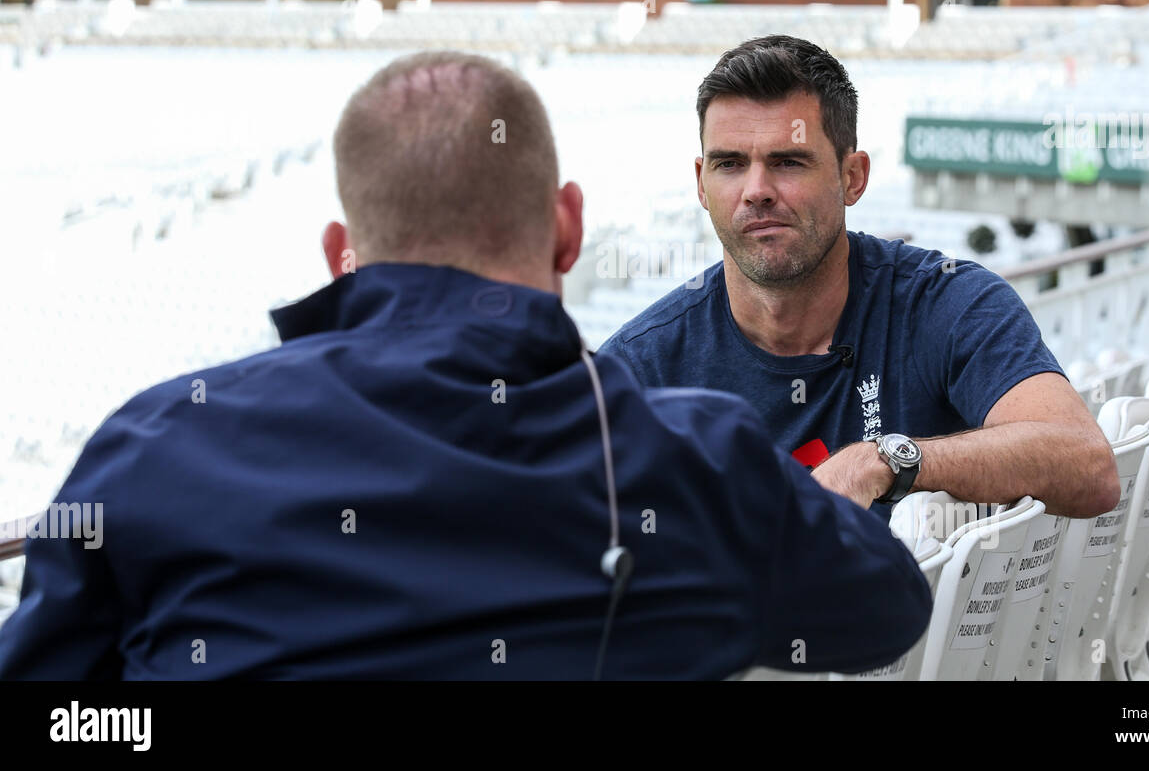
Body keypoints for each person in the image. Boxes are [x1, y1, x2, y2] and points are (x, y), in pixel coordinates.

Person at [0, 51, 931, 680]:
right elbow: (887, 611)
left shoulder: (157, 449)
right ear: (567, 226)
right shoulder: (700, 460)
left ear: (341, 253)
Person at [600, 35, 1119, 519]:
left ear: (853, 178)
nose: (756, 190)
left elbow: (1088, 467)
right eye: (730, 164)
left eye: (788, 162)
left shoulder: (949, 302)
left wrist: (884, 462)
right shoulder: (640, 368)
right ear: (701, 183)